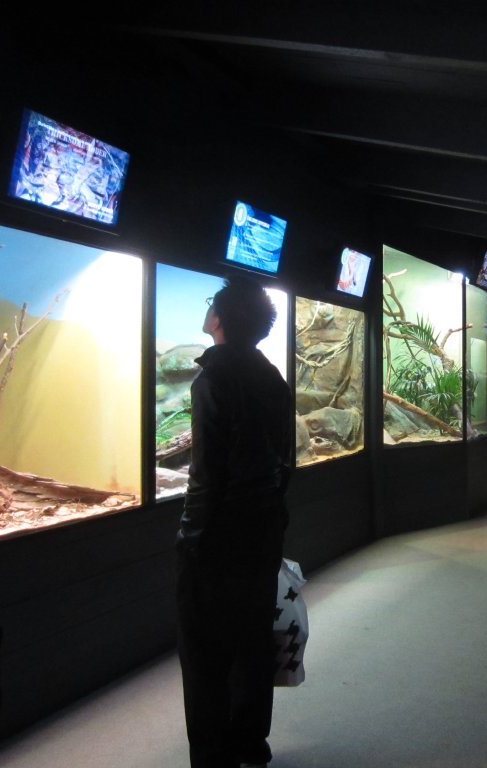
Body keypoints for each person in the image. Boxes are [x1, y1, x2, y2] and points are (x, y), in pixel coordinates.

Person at [176, 276, 294, 768]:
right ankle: (250, 741)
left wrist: (192, 537)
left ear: (219, 319)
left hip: (218, 533)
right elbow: (284, 461)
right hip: (264, 525)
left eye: (212, 305)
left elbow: (207, 472)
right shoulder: (272, 377)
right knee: (251, 638)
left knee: (205, 650)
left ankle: (212, 754)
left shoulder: (213, 377)